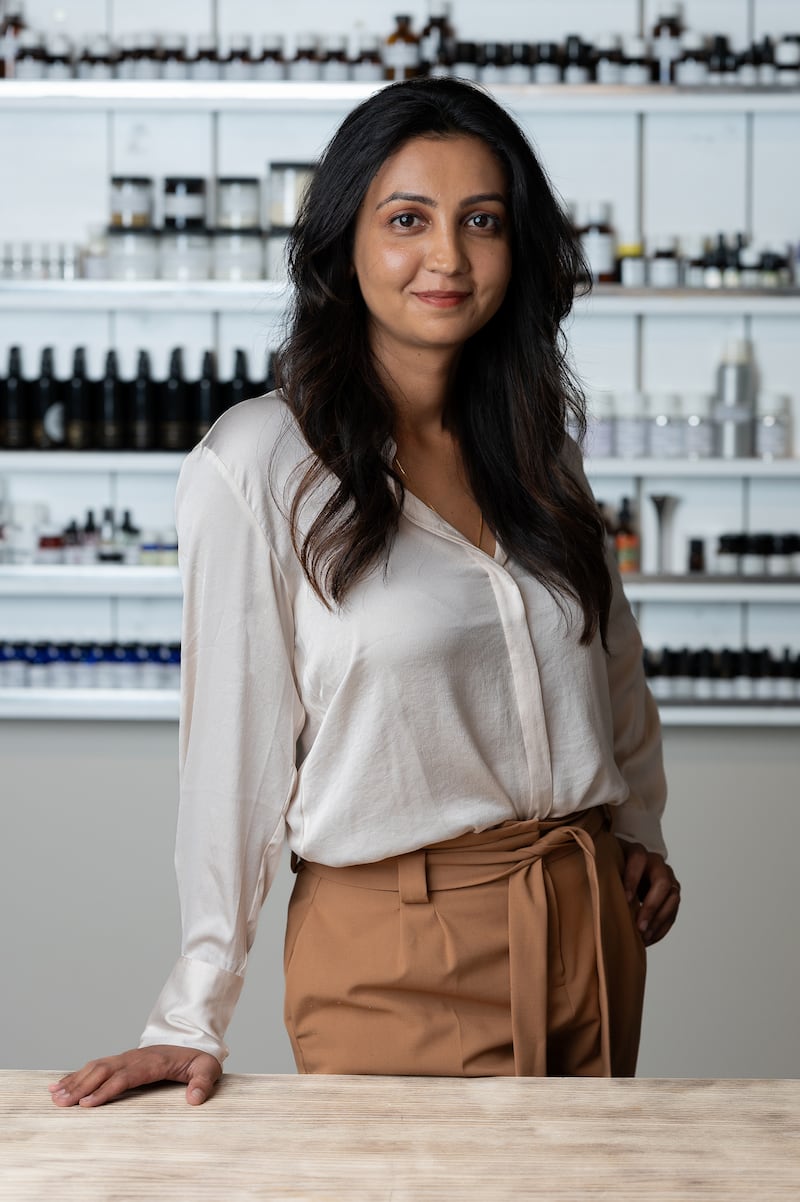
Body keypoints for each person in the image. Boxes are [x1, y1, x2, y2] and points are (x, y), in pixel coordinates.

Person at [50, 77, 680, 1109]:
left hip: (585, 927)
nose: (447, 256)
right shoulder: (254, 463)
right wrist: (189, 1012)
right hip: (396, 945)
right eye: (406, 220)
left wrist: (638, 828)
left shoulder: (536, 450)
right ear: (344, 242)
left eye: (481, 220)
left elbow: (609, 659)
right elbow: (232, 757)